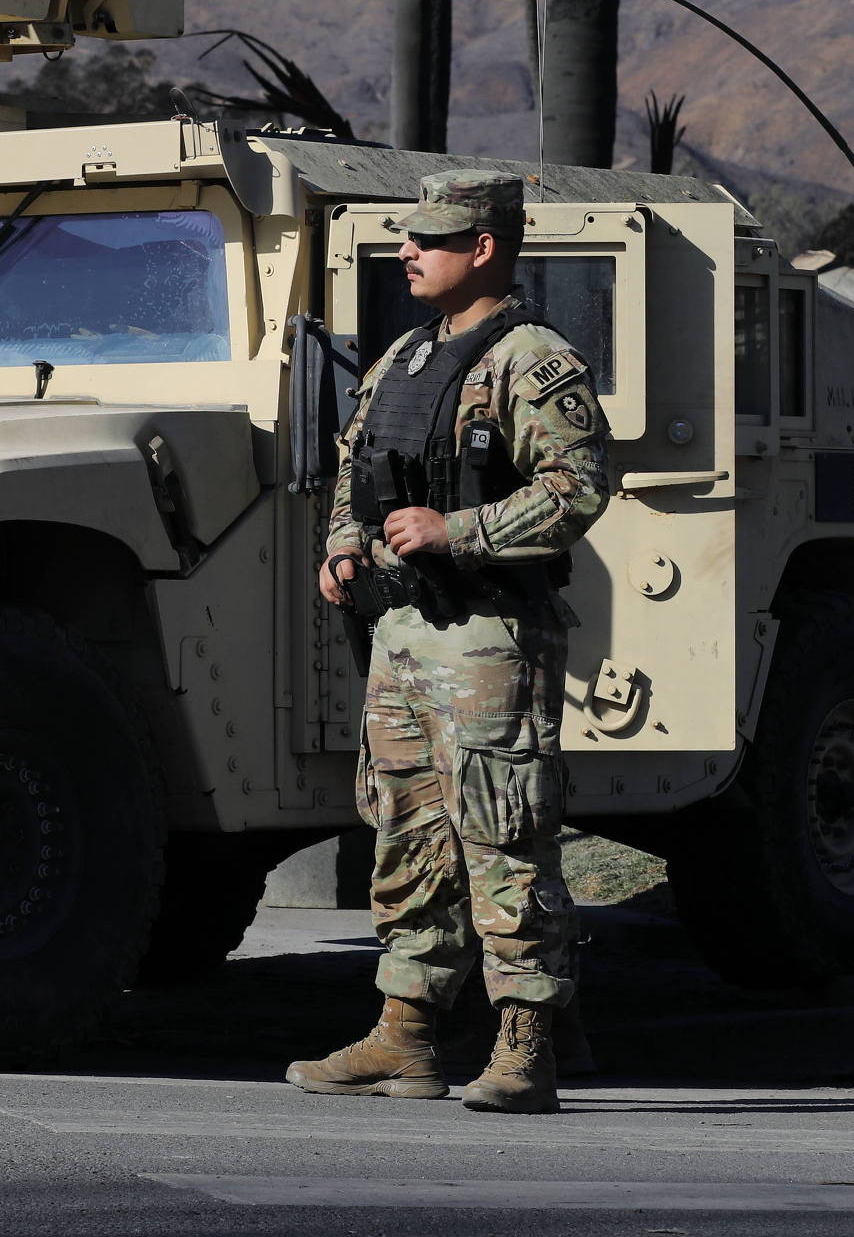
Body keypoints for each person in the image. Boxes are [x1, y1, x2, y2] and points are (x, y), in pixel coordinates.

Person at [286, 168, 610, 1115]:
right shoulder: (405, 361)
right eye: (407, 237)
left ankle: (526, 1044)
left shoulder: (532, 360)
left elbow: (576, 490)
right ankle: (408, 1036)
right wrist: (345, 546)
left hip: (488, 638)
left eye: (428, 239)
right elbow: (354, 471)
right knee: (407, 835)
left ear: (485, 250)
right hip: (400, 634)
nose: (406, 251)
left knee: (505, 835)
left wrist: (456, 533)